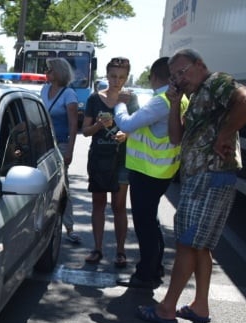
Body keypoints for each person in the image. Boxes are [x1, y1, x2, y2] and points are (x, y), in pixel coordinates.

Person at [137, 49, 246, 323]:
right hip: (206, 178)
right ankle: (199, 306)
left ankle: (167, 308)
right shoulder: (193, 97)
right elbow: (175, 137)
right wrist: (175, 101)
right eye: (175, 76)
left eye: (183, 71)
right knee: (201, 246)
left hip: (209, 176)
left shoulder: (216, 82)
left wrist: (226, 134)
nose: (180, 79)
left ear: (200, 64)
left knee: (188, 243)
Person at [114, 57, 188, 289]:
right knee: (151, 223)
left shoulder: (161, 100)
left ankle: (145, 274)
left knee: (145, 225)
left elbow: (126, 124)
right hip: (161, 170)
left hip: (149, 171)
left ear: (155, 77)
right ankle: (154, 269)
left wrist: (119, 103)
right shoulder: (178, 98)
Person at [81, 57, 136, 267]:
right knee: (98, 204)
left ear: (126, 77)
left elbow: (138, 127)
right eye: (113, 76)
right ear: (107, 75)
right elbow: (85, 131)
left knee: (119, 206)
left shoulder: (131, 99)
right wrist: (97, 125)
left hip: (122, 158)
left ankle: (121, 252)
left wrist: (125, 134)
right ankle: (97, 249)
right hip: (99, 157)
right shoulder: (95, 99)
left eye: (121, 77)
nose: (117, 80)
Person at [40, 57, 81, 244]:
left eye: (49, 70)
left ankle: (69, 227)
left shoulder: (69, 94)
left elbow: (73, 125)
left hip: (61, 144)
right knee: (41, 184)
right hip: (43, 144)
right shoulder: (44, 89)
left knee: (63, 186)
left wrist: (70, 151)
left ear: (58, 73)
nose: (46, 72)